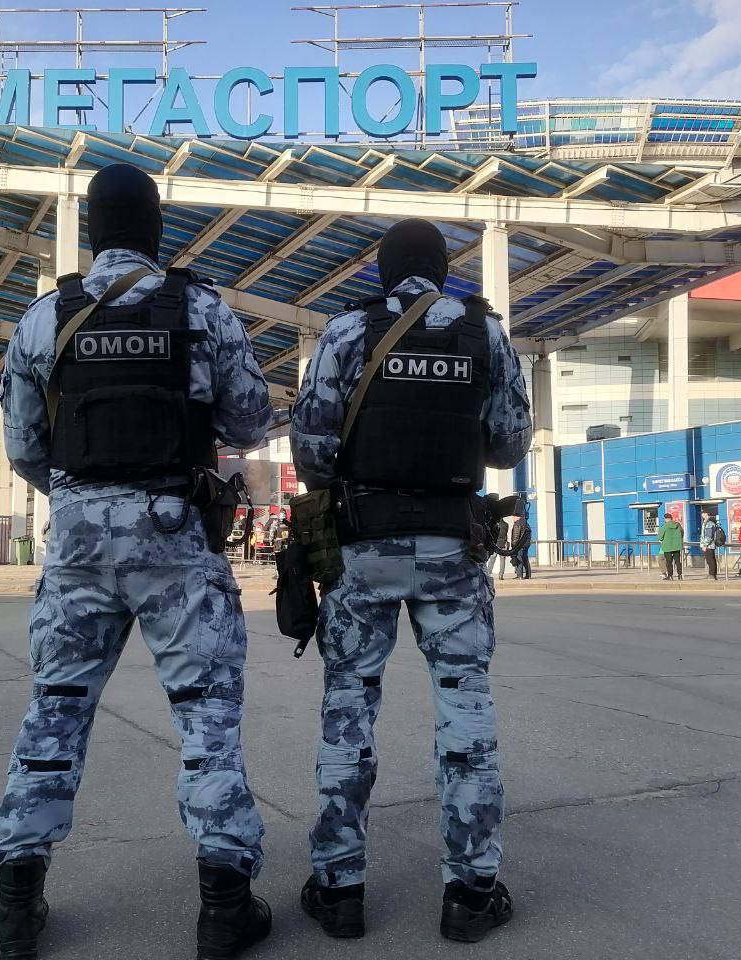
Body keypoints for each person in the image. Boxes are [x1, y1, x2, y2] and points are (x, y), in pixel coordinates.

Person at [0, 163, 273, 960]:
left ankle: (16, 904)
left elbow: (23, 447)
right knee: (207, 720)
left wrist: (84, 497)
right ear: (154, 229)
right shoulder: (202, 309)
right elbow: (252, 422)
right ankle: (224, 908)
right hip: (177, 539)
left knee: (55, 711)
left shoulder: (45, 318)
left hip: (79, 544)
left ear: (92, 232)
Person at [291, 218, 531, 944]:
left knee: (349, 709)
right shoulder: (485, 334)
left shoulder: (345, 331)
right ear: (445, 270)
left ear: (383, 272)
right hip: (453, 547)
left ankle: (339, 889)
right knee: (465, 709)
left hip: (364, 545)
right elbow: (510, 441)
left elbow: (311, 449)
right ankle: (471, 892)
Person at [484, 513, 511, 580]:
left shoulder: (495, 524)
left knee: (492, 559)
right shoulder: (506, 524)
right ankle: (501, 575)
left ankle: (488, 573)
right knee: (502, 560)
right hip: (503, 544)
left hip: (495, 544)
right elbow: (505, 534)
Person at [658, 512, 684, 580]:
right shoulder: (678, 525)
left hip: (667, 547)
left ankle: (670, 576)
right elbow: (682, 533)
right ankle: (680, 575)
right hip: (677, 546)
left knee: (669, 562)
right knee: (678, 561)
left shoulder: (664, 526)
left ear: (665, 519)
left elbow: (660, 537)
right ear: (671, 518)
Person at [508, 509, 532, 579]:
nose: (513, 518)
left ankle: (519, 575)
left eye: (514, 516)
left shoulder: (517, 524)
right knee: (525, 559)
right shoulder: (527, 524)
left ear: (517, 517)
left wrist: (513, 546)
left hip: (519, 545)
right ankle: (528, 575)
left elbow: (515, 537)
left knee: (519, 559)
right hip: (526, 545)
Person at [699, 510, 720, 580]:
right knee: (711, 560)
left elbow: (709, 535)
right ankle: (712, 574)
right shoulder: (708, 522)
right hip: (709, 545)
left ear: (706, 514)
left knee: (710, 560)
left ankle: (712, 575)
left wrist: (705, 545)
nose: (702, 515)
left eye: (703, 513)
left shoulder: (709, 523)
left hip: (709, 545)